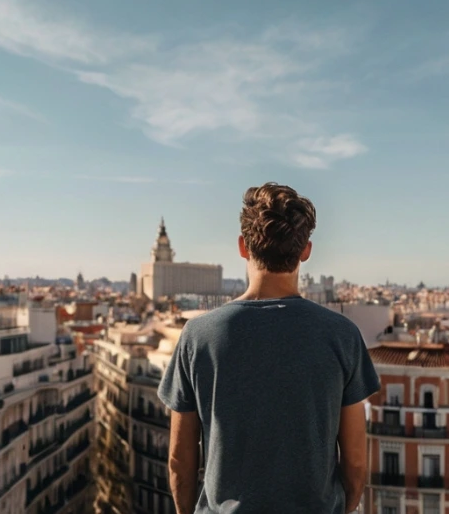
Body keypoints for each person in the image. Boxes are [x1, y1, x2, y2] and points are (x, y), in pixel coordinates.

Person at [158, 183, 380, 514]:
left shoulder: (198, 336)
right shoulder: (342, 336)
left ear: (243, 246)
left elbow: (180, 460)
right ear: (305, 250)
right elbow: (356, 461)